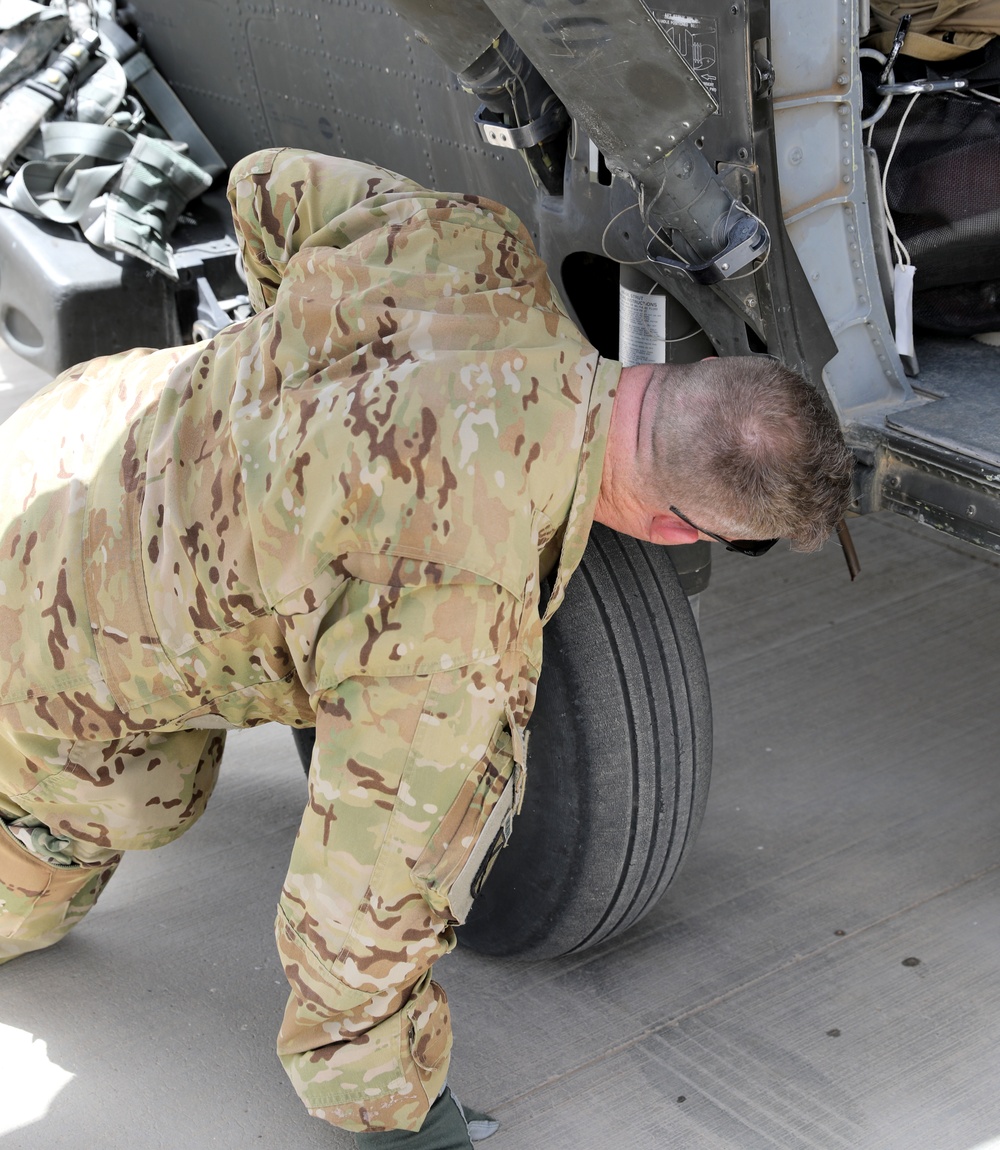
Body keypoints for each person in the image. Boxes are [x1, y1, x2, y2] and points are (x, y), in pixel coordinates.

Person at [0, 148, 853, 1147]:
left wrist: (292, 387)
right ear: (677, 530)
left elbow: (267, 185)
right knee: (118, 818)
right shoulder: (457, 624)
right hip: (45, 636)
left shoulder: (472, 244)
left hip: (78, 424)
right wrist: (400, 1112)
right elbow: (352, 920)